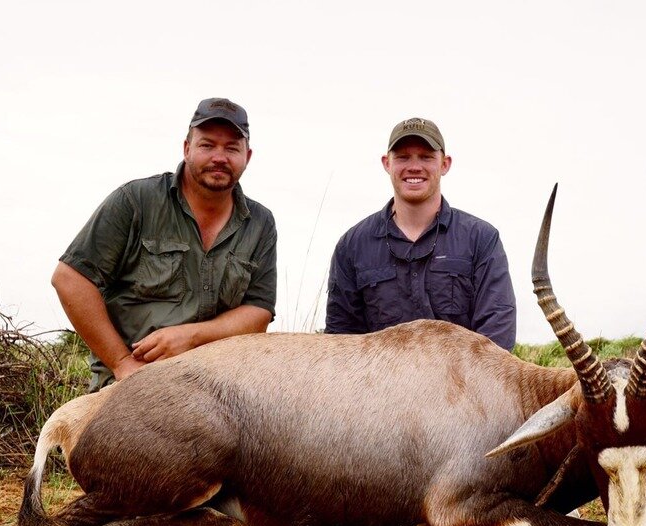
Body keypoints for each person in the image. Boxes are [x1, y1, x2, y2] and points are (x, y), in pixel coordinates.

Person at [53, 98, 277, 392]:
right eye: (207, 145)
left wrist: (191, 337)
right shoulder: (135, 201)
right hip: (133, 382)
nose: (219, 157)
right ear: (187, 149)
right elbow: (69, 278)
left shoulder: (260, 223)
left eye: (232, 148)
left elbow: (258, 311)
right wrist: (121, 363)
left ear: (247, 156)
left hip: (218, 387)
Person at [325, 117, 517, 350]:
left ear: (445, 164)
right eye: (403, 157)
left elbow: (497, 336)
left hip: (459, 384)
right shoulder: (352, 245)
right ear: (387, 163)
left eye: (426, 157)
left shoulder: (481, 239)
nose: (414, 166)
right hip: (379, 385)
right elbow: (340, 342)